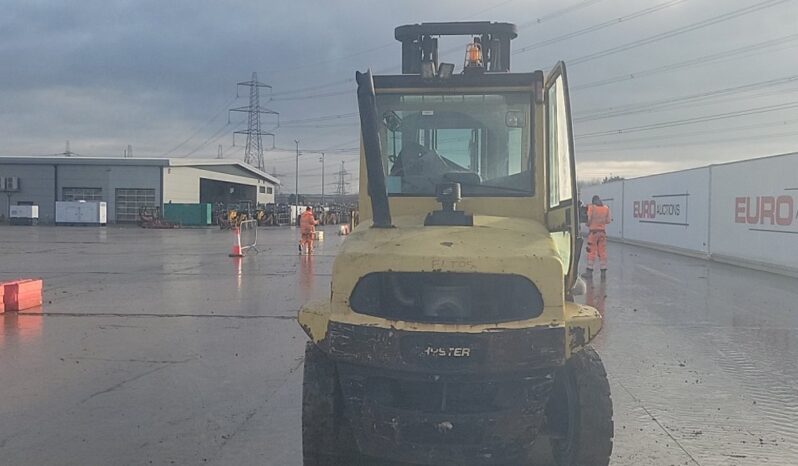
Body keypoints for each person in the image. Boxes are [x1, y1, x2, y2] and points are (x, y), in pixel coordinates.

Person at [583, 195, 612, 279]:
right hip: (602, 233)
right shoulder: (606, 208)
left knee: (591, 251)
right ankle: (603, 272)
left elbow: (588, 220)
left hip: (593, 233)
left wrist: (588, 224)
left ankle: (589, 272)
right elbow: (608, 221)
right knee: (602, 252)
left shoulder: (592, 208)